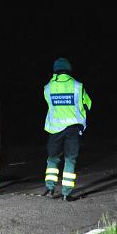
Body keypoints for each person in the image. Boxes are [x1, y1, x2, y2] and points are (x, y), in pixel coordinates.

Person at [41, 58, 92, 201]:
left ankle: (50, 189)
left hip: (54, 129)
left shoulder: (48, 87)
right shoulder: (78, 86)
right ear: (69, 69)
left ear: (55, 69)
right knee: (70, 159)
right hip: (72, 129)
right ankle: (66, 193)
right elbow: (88, 104)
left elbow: (49, 104)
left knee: (52, 159)